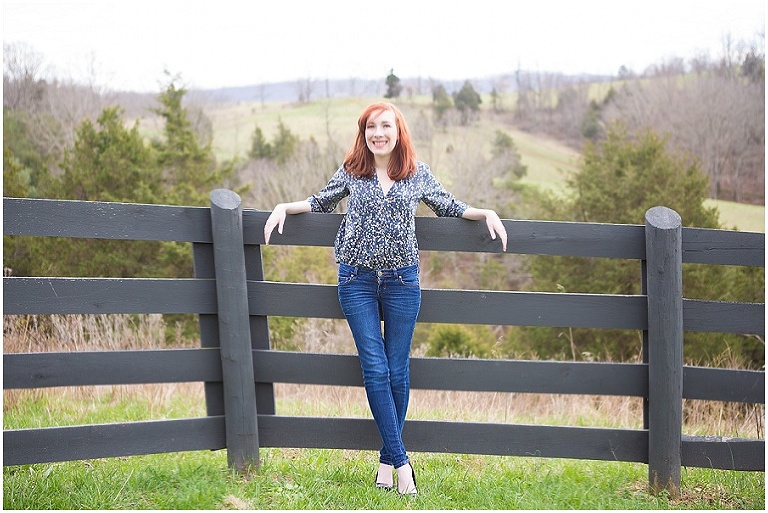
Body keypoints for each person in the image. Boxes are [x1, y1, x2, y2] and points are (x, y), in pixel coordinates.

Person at [263, 102, 507, 496]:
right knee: (375, 369)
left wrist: (486, 212)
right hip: (356, 280)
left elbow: (449, 206)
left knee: (397, 370)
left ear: (398, 131)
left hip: (402, 282)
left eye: (385, 126)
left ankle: (384, 459)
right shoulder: (352, 170)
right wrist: (282, 206)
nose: (378, 133)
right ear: (364, 133)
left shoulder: (416, 172)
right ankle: (403, 464)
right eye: (371, 127)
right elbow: (320, 201)